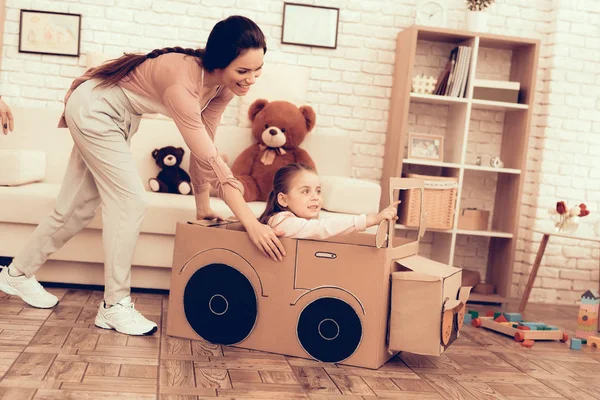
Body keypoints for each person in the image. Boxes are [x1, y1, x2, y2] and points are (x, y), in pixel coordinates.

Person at [0, 15, 286, 336]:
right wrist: (251, 222)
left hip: (113, 116)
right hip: (96, 110)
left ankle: (16, 273)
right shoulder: (183, 86)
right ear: (219, 62)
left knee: (76, 209)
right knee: (131, 202)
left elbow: (205, 151)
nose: (251, 79)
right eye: (243, 71)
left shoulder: (222, 88)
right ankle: (114, 306)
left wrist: (203, 206)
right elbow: (214, 162)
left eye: (257, 70)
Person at [258, 163, 400, 239]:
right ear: (283, 199)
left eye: (318, 191)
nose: (315, 197)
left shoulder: (301, 221)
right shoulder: (282, 222)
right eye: (305, 191)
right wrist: (372, 219)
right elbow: (323, 228)